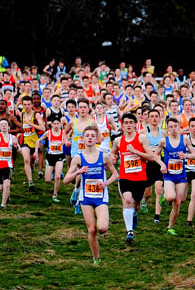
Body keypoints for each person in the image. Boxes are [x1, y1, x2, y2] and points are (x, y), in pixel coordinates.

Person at [64, 125, 119, 265]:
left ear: (96, 139)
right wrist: (78, 172)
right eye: (87, 136)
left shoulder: (104, 156)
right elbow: (66, 180)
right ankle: (96, 258)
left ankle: (97, 254)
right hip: (86, 198)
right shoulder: (78, 158)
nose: (89, 138)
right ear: (82, 139)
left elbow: (115, 174)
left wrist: (105, 183)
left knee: (102, 228)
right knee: (92, 229)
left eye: (92, 136)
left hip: (101, 197)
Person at [113, 113, 157, 244]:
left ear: (135, 125)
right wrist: (113, 158)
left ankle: (135, 213)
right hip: (124, 176)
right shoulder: (118, 141)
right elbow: (113, 153)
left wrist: (135, 151)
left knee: (136, 205)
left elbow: (151, 157)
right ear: (122, 125)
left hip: (139, 177)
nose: (128, 125)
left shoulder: (141, 138)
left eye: (131, 123)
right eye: (126, 123)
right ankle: (129, 232)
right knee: (127, 200)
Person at [154, 117, 195, 236]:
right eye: (171, 127)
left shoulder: (185, 139)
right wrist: (162, 164)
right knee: (171, 197)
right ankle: (164, 196)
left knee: (178, 203)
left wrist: (185, 156)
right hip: (169, 175)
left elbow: (194, 155)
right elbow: (154, 155)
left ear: (179, 127)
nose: (173, 129)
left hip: (181, 175)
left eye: (175, 126)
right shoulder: (164, 141)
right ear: (168, 129)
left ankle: (170, 227)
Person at [64, 99, 96, 214]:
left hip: (88, 152)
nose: (82, 109)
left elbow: (99, 137)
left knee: (83, 176)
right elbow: (65, 132)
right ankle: (78, 200)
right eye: (81, 107)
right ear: (78, 109)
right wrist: (66, 140)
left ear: (88, 109)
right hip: (76, 152)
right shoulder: (73, 122)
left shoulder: (92, 122)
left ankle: (76, 193)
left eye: (84, 107)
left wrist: (95, 142)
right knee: (80, 173)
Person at [19, 96, 46, 189]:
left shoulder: (36, 115)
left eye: (28, 104)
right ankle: (30, 182)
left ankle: (31, 168)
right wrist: (19, 133)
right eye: (25, 105)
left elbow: (43, 128)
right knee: (26, 159)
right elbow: (21, 127)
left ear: (31, 105)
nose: (27, 106)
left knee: (31, 163)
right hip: (25, 140)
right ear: (22, 105)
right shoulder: (22, 115)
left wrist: (31, 124)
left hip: (35, 141)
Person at [41, 117, 67, 202]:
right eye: (54, 124)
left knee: (57, 177)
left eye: (57, 124)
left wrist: (65, 142)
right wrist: (36, 152)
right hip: (50, 156)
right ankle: (52, 171)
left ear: (60, 125)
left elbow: (67, 141)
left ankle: (55, 195)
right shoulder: (48, 133)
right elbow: (38, 141)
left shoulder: (63, 132)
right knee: (47, 180)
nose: (56, 125)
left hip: (60, 156)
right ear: (52, 125)